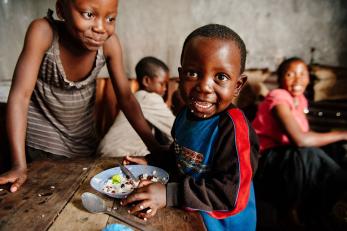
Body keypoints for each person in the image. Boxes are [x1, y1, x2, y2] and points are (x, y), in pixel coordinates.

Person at [0, 0, 161, 193]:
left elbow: (126, 98)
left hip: (83, 146)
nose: (101, 28)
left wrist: (156, 148)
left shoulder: (109, 45)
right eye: (89, 15)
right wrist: (19, 164)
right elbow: (20, 96)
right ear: (61, 10)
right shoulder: (43, 32)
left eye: (110, 18)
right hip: (39, 146)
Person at [120, 24, 259, 231]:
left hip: (221, 223)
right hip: (187, 211)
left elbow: (230, 194)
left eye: (220, 77)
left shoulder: (234, 129)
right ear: (181, 75)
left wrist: (169, 194)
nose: (204, 86)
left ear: (238, 86)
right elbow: (183, 155)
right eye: (193, 73)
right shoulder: (185, 115)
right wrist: (152, 160)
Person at [252, 57, 347, 226]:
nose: (298, 80)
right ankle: (294, 212)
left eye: (303, 74)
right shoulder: (278, 96)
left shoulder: (300, 99)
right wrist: (342, 133)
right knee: (307, 153)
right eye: (291, 74)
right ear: (281, 78)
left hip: (289, 158)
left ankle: (325, 205)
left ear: (309, 78)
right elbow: (300, 139)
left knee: (333, 148)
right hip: (267, 161)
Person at [98, 56, 175, 156]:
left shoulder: (136, 98)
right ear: (146, 81)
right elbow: (176, 130)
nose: (165, 89)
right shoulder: (149, 98)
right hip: (117, 154)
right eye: (162, 83)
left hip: (106, 150)